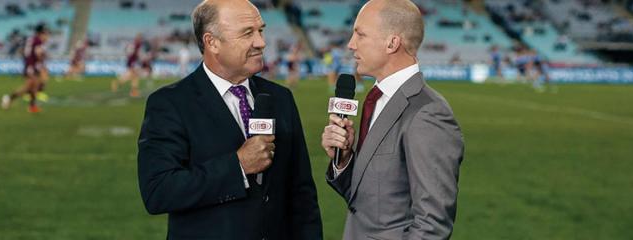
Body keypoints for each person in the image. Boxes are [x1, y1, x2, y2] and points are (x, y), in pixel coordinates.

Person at [137, 1, 322, 239]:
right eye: (247, 33)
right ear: (211, 42)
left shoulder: (280, 98)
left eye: (261, 30)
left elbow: (302, 195)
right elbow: (158, 191)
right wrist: (238, 166)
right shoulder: (170, 103)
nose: (261, 42)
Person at [320, 0, 464, 238]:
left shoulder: (428, 114)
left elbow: (432, 226)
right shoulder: (378, 98)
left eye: (360, 34)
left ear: (392, 43)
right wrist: (343, 160)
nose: (351, 44)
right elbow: (371, 201)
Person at [1, 24, 50, 113]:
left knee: (33, 86)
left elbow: (24, 51)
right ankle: (10, 98)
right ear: (41, 33)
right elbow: (38, 53)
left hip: (30, 64)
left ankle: (31, 106)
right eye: (45, 33)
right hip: (32, 66)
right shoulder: (38, 41)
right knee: (30, 86)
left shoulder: (32, 39)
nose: (47, 36)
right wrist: (43, 60)